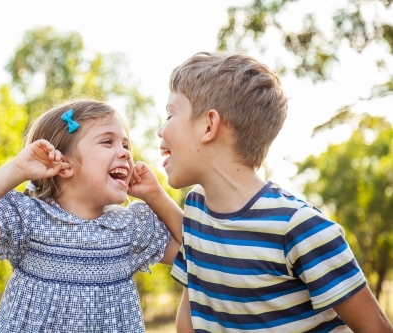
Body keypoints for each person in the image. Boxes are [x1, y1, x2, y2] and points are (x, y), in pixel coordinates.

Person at [157, 52, 393, 332]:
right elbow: (192, 309)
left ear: (209, 125)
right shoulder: (196, 208)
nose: (160, 131)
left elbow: (375, 328)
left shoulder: (300, 228)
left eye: (170, 114)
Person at [0, 99, 182, 332]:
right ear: (65, 164)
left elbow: (195, 249)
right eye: (108, 142)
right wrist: (17, 169)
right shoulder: (29, 218)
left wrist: (156, 196)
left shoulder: (130, 228)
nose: (126, 153)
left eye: (126, 145)